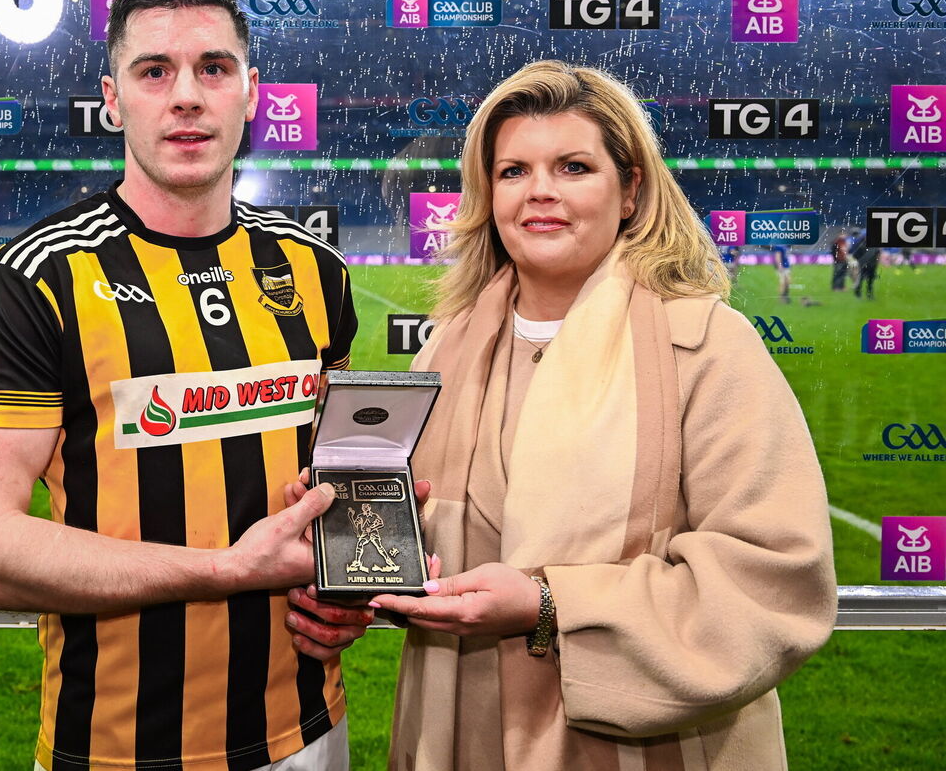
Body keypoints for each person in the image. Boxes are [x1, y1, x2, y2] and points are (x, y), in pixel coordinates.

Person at [0, 0, 358, 771]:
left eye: (214, 68)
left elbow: (330, 485)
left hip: (310, 731)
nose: (187, 95)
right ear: (112, 97)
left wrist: (350, 583)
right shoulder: (38, 278)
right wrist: (229, 571)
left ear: (252, 92)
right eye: (154, 70)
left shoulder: (315, 269)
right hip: (115, 748)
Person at [356, 61, 835, 770]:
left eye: (573, 167)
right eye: (513, 171)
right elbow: (419, 537)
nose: (540, 190)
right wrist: (356, 539)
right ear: (489, 195)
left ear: (631, 190)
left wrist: (551, 604)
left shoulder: (705, 344)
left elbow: (773, 580)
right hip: (460, 733)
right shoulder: (443, 350)